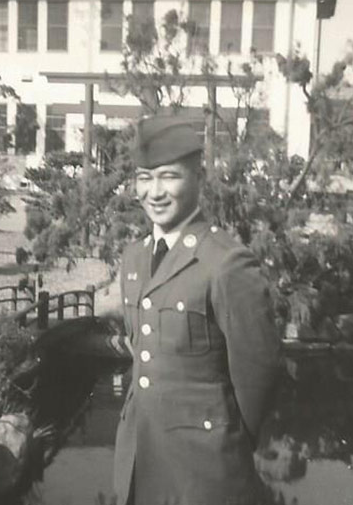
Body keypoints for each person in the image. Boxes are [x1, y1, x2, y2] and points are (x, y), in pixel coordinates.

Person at [113, 115, 282, 505]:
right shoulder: (134, 258)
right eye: (143, 177)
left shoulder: (225, 263)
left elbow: (260, 373)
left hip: (205, 475)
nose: (154, 192)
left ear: (197, 178)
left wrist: (227, 442)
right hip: (140, 460)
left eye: (168, 177)